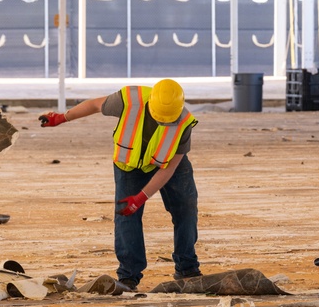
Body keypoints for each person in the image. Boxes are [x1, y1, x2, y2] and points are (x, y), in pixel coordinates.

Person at [39, 79, 201, 290]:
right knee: (126, 215)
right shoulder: (129, 101)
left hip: (167, 162)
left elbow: (168, 169)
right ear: (150, 103)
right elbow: (95, 105)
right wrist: (62, 117)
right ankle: (128, 276)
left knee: (186, 209)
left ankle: (187, 268)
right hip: (129, 165)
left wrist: (141, 197)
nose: (162, 122)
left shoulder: (184, 122)